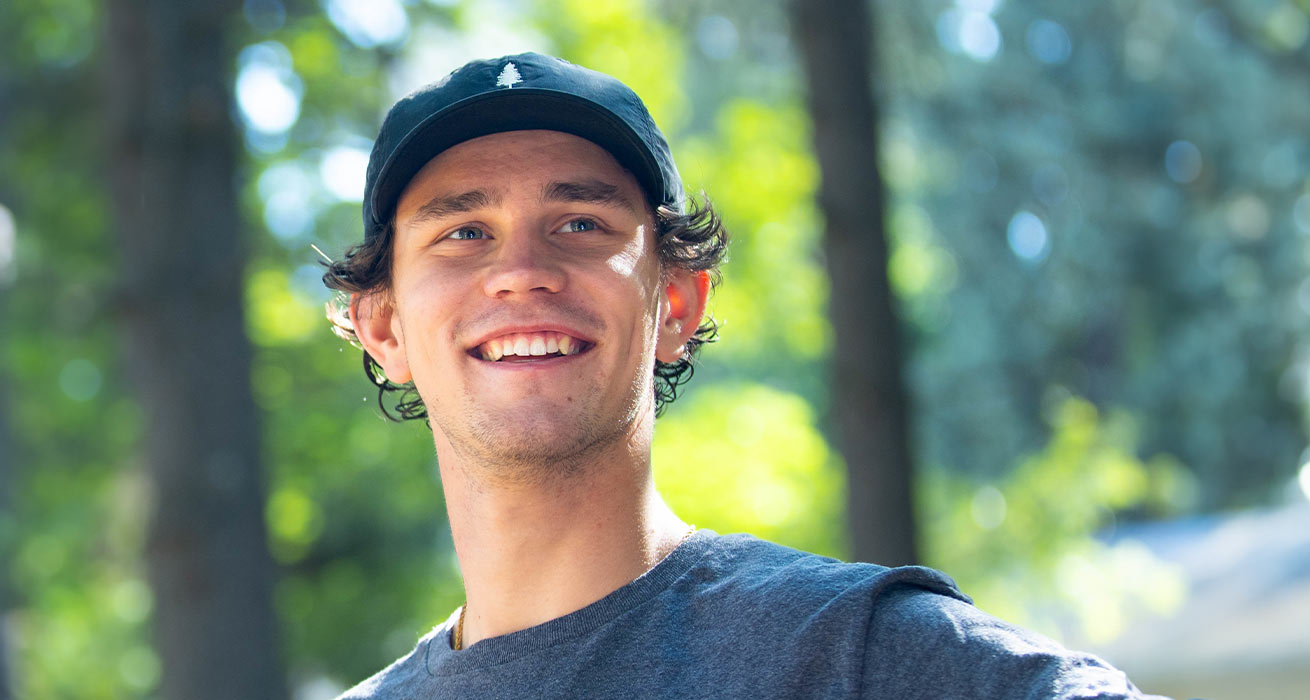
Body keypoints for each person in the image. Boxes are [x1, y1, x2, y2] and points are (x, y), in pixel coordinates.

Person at [323, 52, 1168, 699]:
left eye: (580, 222)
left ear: (678, 306)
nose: (522, 270)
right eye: (463, 232)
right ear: (384, 325)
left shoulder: (857, 658)